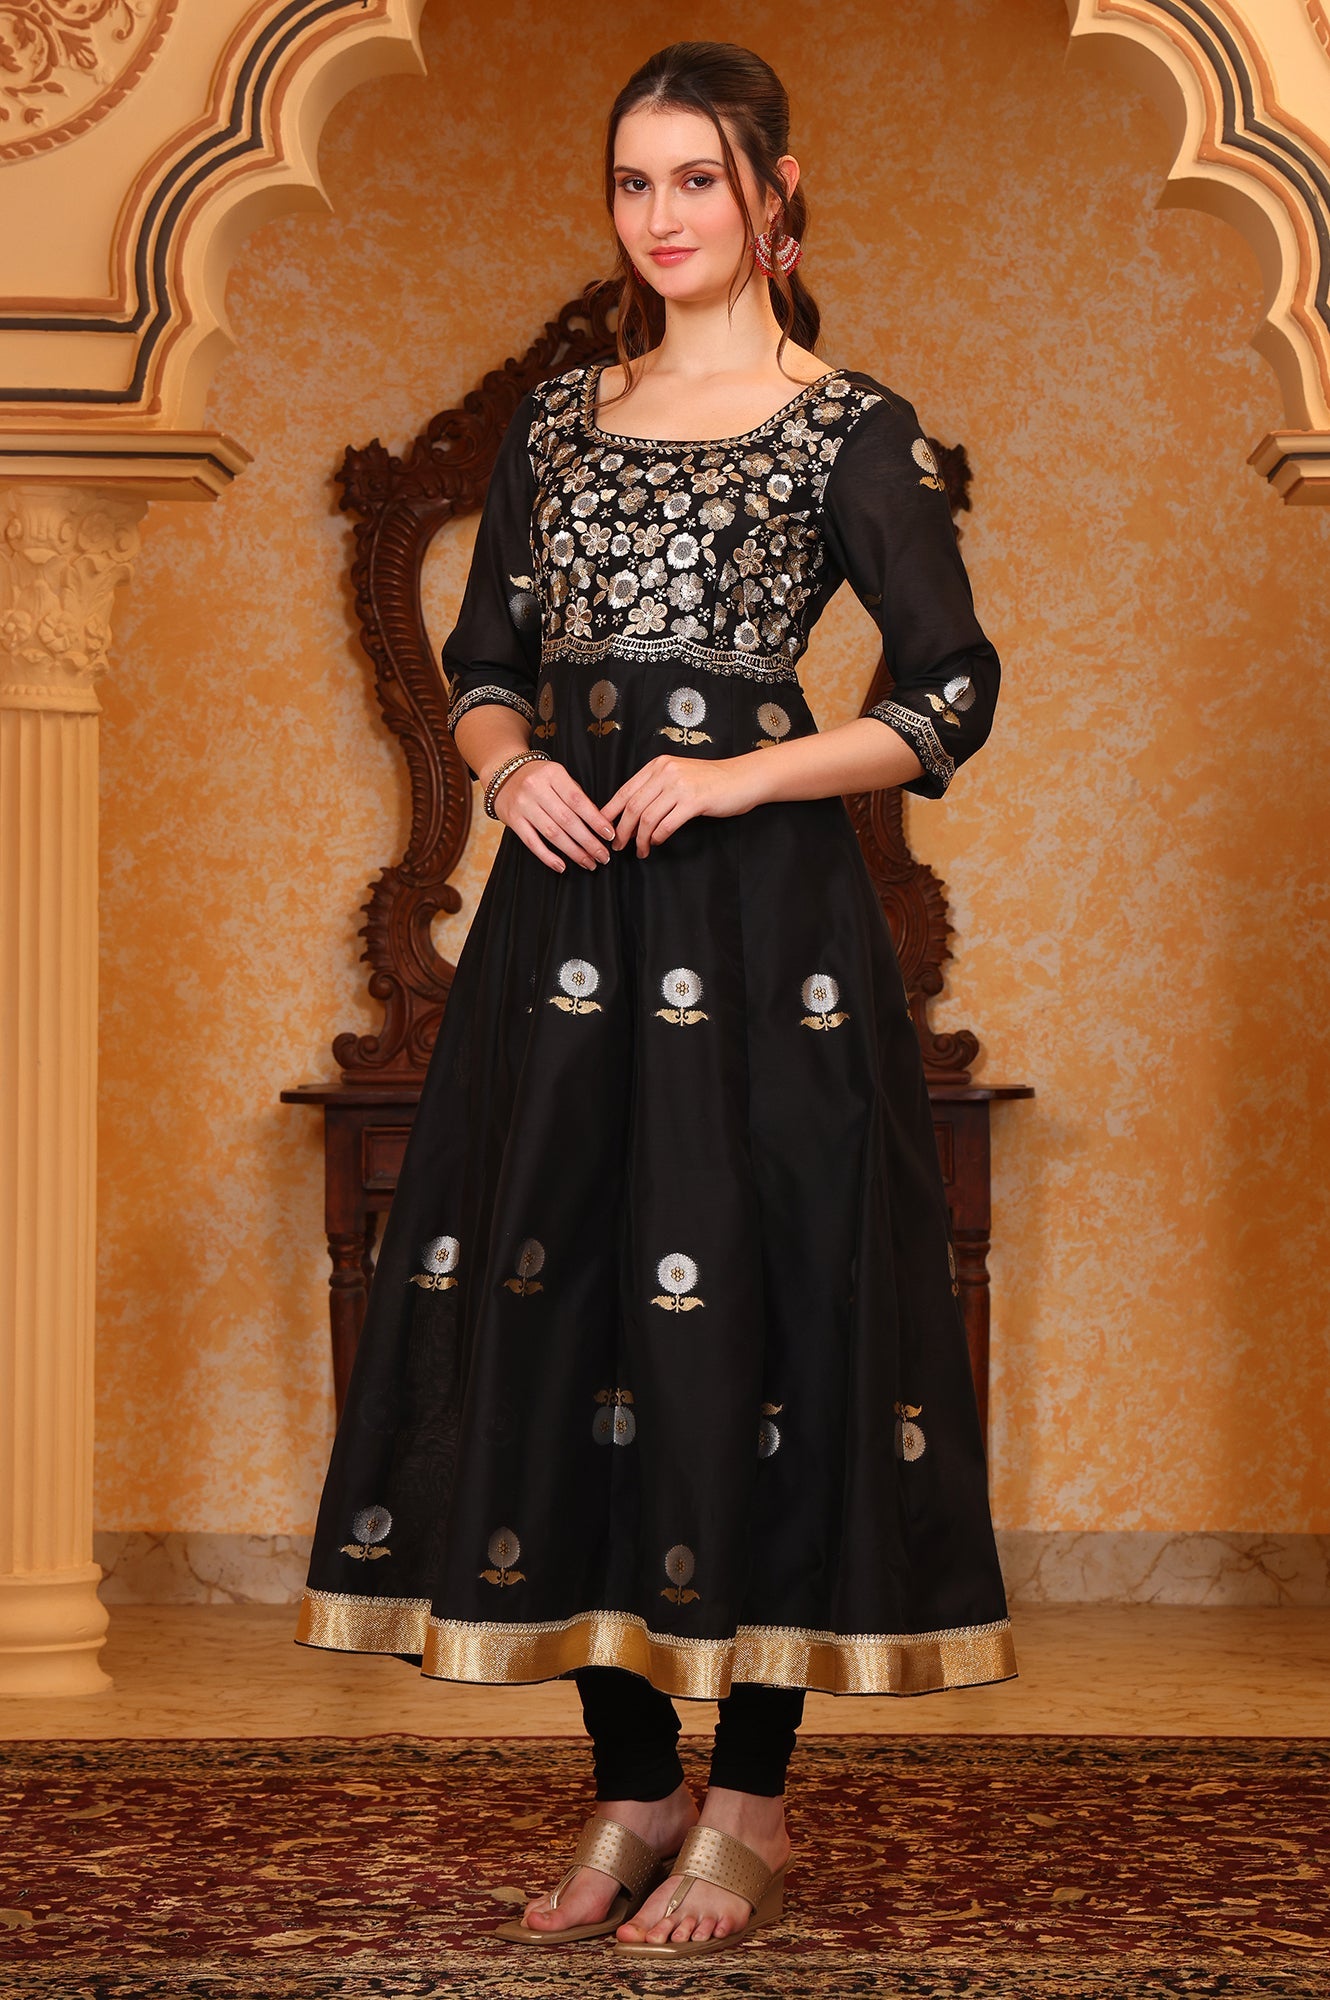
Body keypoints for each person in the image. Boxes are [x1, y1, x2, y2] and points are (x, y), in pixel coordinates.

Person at [296, 38, 1016, 1962]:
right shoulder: (558, 422)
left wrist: (741, 774)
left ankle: (748, 1809)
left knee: (767, 1316)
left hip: (767, 947)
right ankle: (633, 1790)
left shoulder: (848, 429)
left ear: (777, 197)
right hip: (563, 939)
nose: (662, 215)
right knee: (557, 1298)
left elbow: (949, 690)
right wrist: (509, 766)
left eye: (697, 178)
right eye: (634, 182)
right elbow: (483, 655)